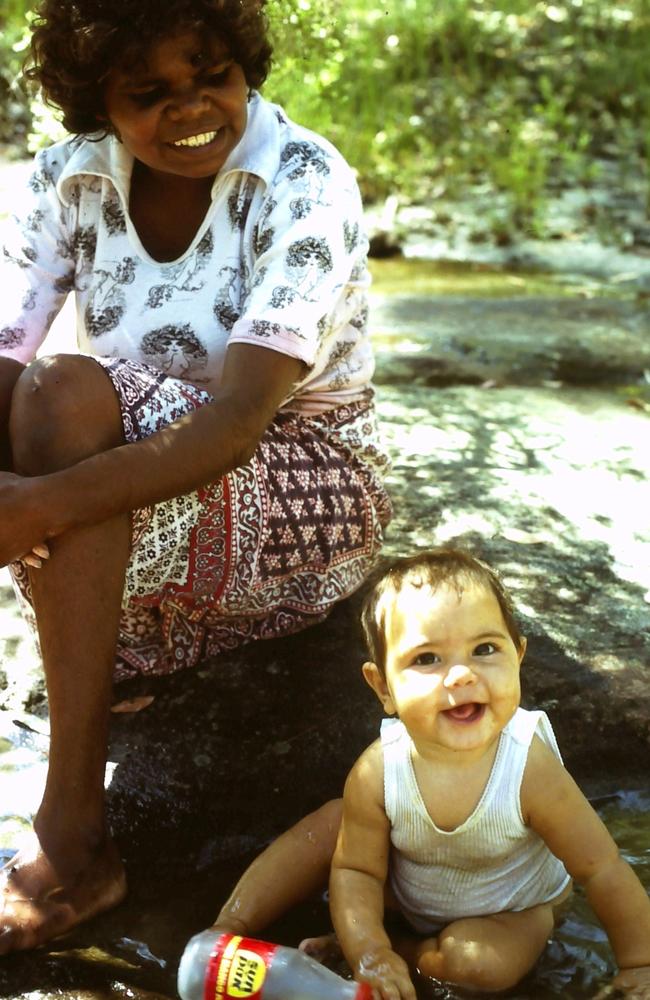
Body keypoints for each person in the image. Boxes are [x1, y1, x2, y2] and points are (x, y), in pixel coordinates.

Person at [0, 0, 392, 953]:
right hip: (147, 463)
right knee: (40, 405)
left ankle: (75, 840)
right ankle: (128, 653)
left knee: (62, 409)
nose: (191, 109)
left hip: (305, 476)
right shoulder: (71, 178)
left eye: (212, 75)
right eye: (149, 92)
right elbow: (4, 354)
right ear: (98, 99)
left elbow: (234, 422)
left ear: (245, 63)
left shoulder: (306, 182)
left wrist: (34, 506)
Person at [212, 549, 650, 998]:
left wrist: (640, 963)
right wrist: (368, 948)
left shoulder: (528, 767)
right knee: (333, 824)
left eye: (484, 649)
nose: (461, 675)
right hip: (408, 892)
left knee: (475, 964)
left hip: (516, 911)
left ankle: (399, 954)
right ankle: (227, 929)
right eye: (427, 659)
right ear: (383, 686)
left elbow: (603, 870)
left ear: (518, 657)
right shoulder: (378, 770)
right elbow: (357, 872)